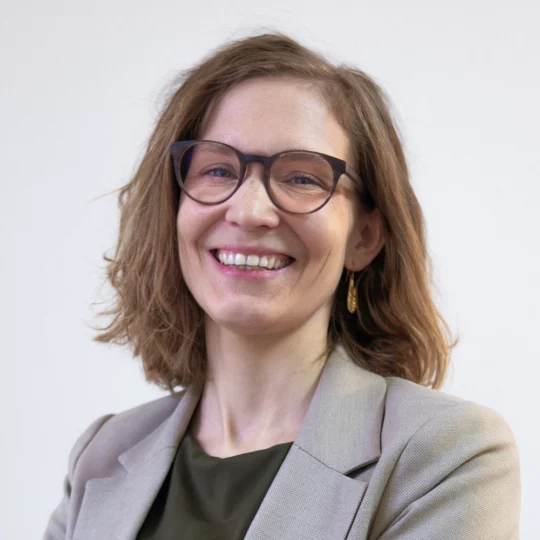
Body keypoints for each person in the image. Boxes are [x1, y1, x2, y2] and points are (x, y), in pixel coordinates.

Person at [43, 32, 520, 540]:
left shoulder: (448, 458)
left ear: (364, 237)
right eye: (217, 170)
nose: (250, 211)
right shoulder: (102, 454)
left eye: (302, 179)